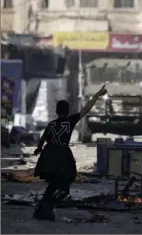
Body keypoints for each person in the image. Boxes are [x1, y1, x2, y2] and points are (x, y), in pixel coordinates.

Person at [32, 85, 107, 221]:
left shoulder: (52, 124)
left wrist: (38, 149)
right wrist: (96, 95)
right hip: (62, 155)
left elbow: (43, 138)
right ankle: (46, 208)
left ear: (56, 111)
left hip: (48, 155)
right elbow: (86, 109)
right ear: (67, 111)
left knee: (54, 183)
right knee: (64, 184)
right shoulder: (70, 121)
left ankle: (43, 208)